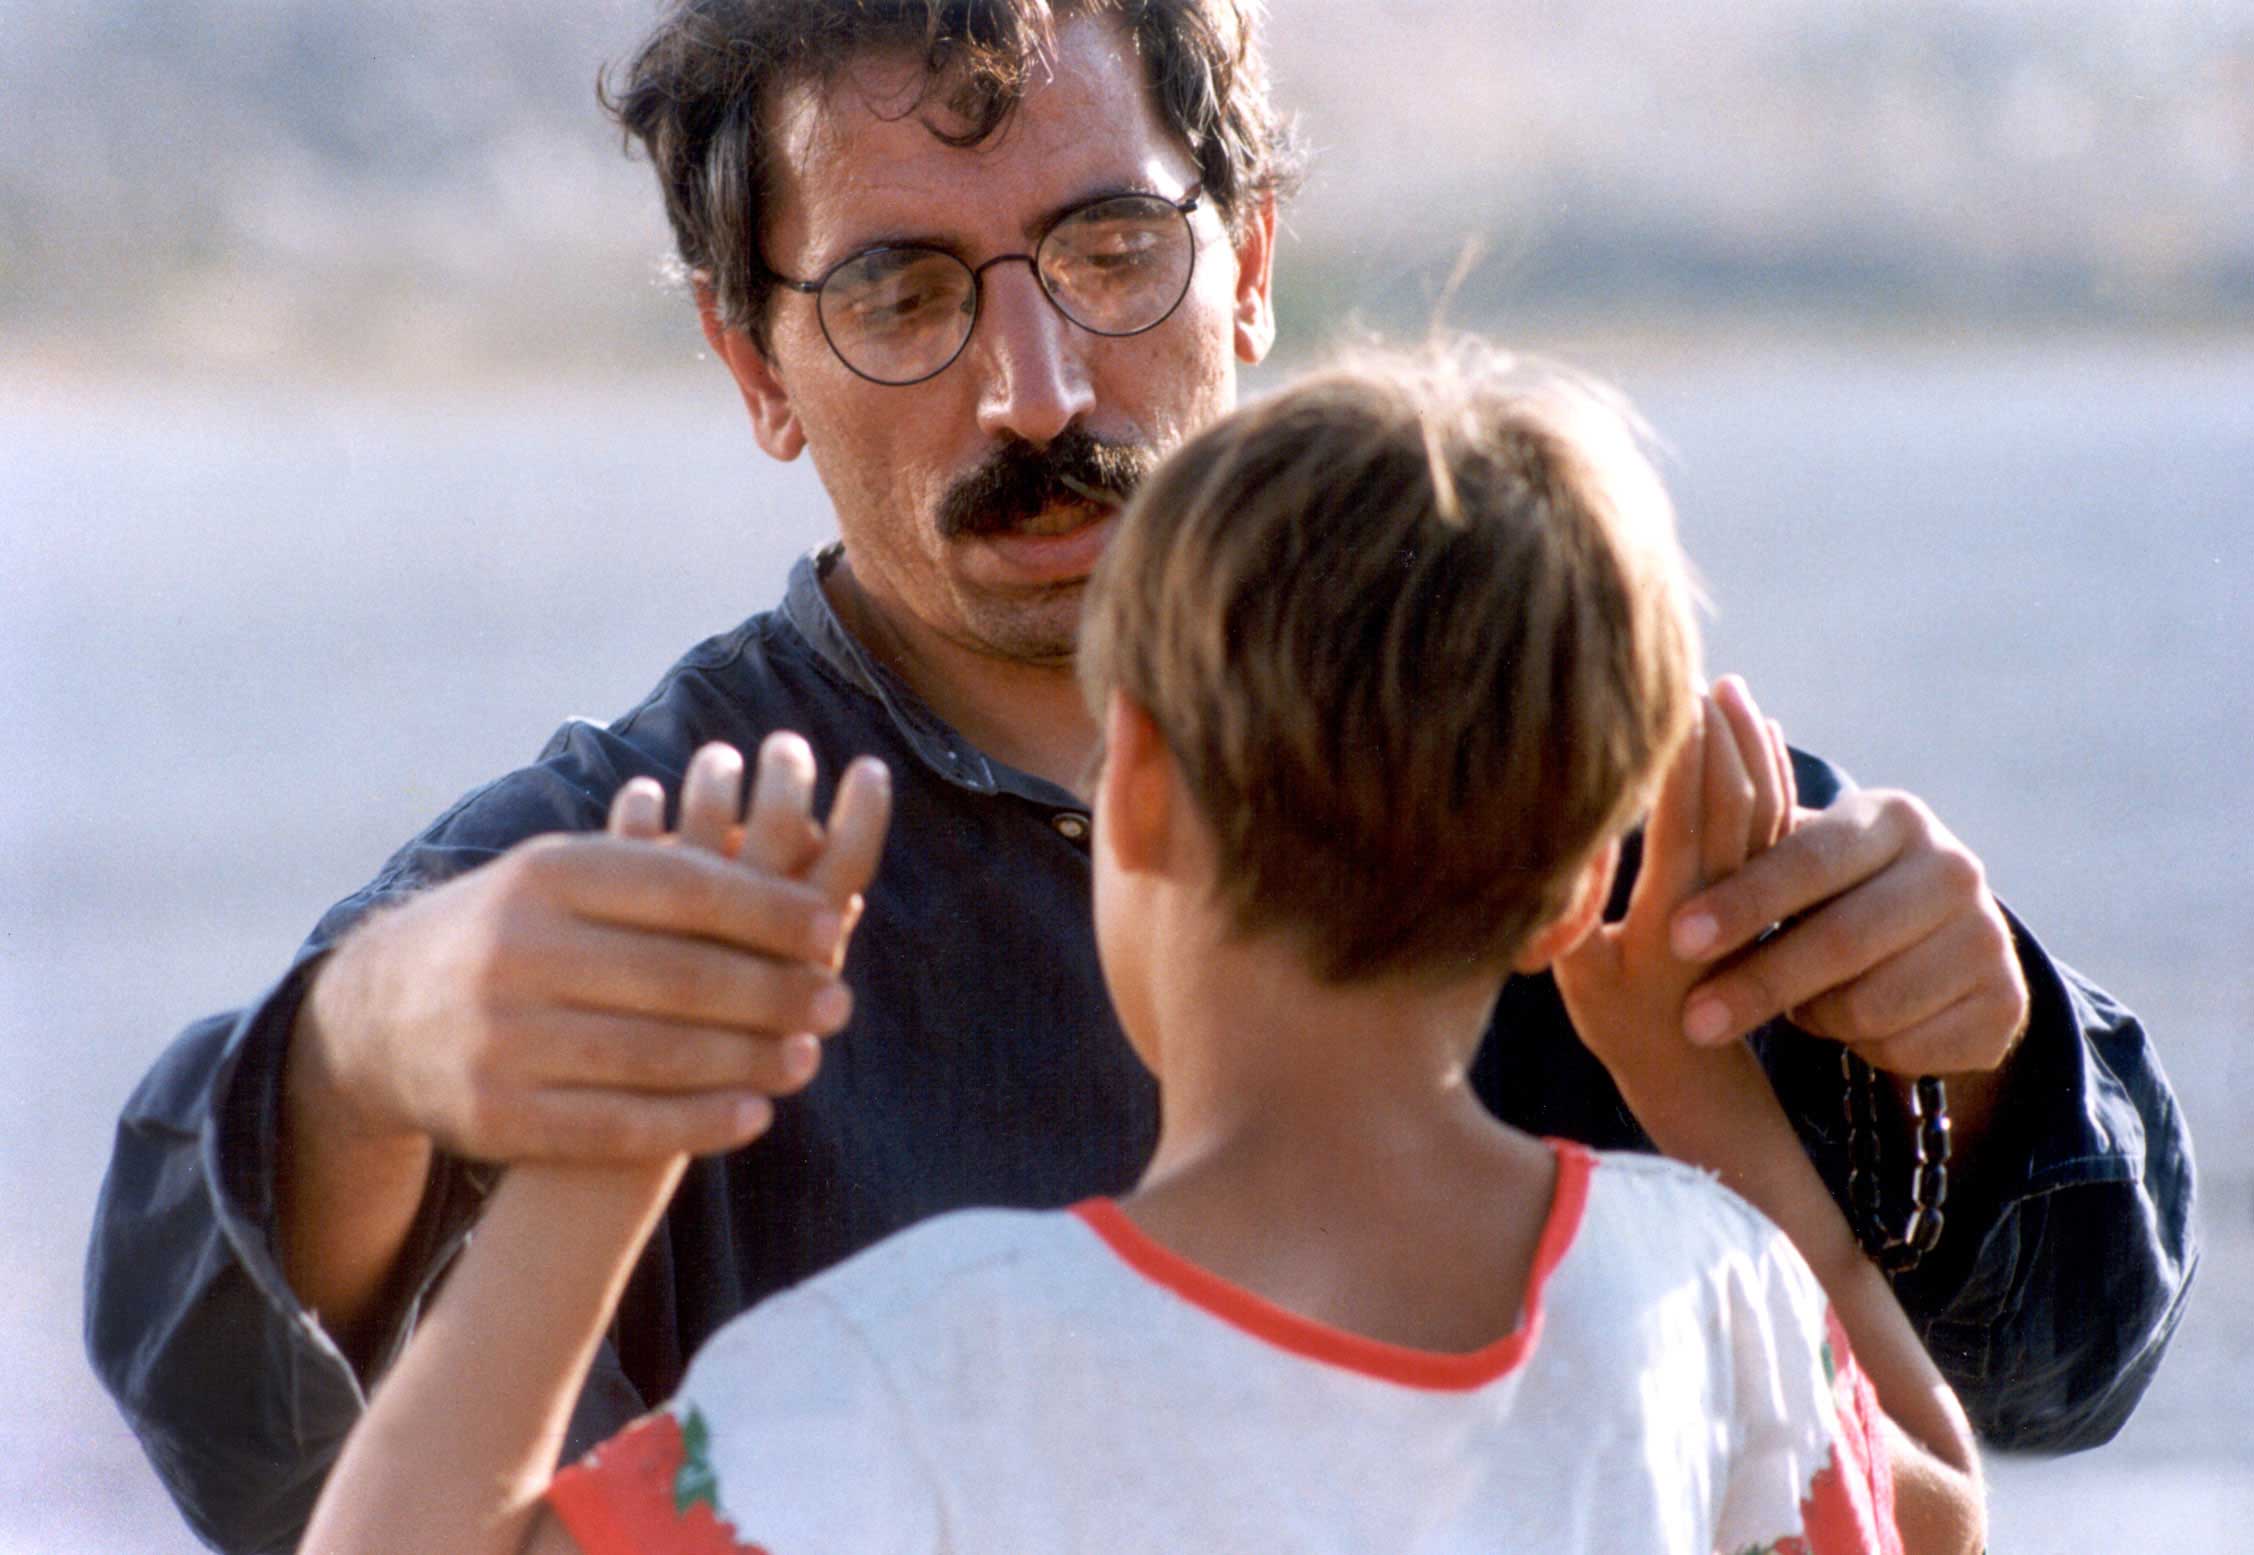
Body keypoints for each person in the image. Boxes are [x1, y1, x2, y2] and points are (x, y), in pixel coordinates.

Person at [84, 4, 2191, 1552]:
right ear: (753, 360)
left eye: (1108, 250)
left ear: (1247, 258)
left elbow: (2069, 1356)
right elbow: (215, 1398)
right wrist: (370, 1041)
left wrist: (1977, 1058)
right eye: (902, 292)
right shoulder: (625, 860)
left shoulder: (1555, 750)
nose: (1035, 388)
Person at [300, 348, 1981, 1555]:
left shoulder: (918, 1368)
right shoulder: (1698, 1293)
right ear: (1565, 896)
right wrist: (1691, 1083)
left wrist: (622, 1135)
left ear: (1147, 788)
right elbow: (1934, 1515)